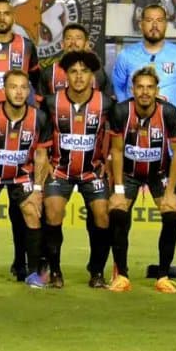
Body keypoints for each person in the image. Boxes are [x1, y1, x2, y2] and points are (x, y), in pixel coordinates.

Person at [107, 64, 176, 291]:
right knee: (118, 214)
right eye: (140, 87)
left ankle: (162, 276)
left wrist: (170, 192)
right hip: (129, 174)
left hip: (158, 173)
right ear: (132, 89)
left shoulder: (168, 112)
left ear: (156, 89)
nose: (144, 92)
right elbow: (117, 151)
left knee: (171, 215)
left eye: (150, 87)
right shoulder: (121, 111)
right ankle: (121, 274)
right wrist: (119, 190)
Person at [40, 50, 113, 288]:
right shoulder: (52, 102)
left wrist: (109, 159)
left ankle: (97, 272)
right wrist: (46, 161)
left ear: (92, 75)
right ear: (66, 75)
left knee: (102, 214)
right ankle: (55, 271)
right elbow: (40, 135)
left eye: (84, 72)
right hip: (60, 169)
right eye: (74, 71)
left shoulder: (106, 103)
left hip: (92, 170)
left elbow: (116, 135)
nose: (79, 77)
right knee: (52, 211)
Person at [0, 69, 49, 288]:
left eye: (24, 87)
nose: (19, 92)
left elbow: (41, 155)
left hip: (21, 175)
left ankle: (33, 273)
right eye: (13, 87)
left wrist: (37, 190)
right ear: (4, 89)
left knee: (32, 212)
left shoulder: (39, 118)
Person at [112, 3, 176, 113]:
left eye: (160, 20)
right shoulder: (125, 55)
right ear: (140, 24)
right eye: (149, 20)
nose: (154, 25)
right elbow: (118, 86)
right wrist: (128, 112)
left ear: (166, 24)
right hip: (134, 125)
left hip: (168, 126)